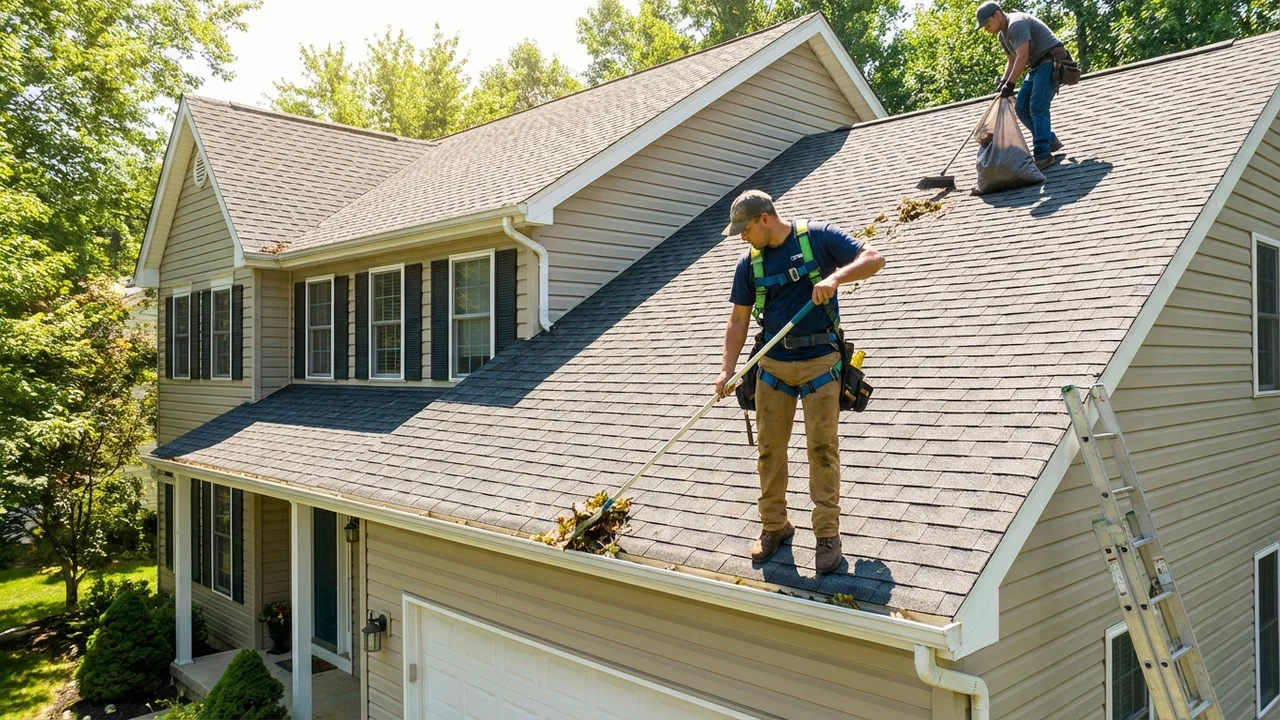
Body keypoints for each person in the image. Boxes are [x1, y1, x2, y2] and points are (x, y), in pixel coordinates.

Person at [714, 190, 885, 574]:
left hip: (820, 363)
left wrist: (835, 279)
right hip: (772, 366)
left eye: (745, 230)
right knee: (769, 452)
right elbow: (738, 320)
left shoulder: (817, 238)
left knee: (822, 450)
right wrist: (727, 370)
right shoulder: (750, 264)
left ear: (764, 220)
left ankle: (828, 536)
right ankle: (774, 526)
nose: (742, 237)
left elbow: (874, 258)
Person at [977, 1, 1068, 170]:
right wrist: (1003, 83)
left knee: (1037, 106)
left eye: (986, 24)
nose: (985, 29)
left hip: (1050, 61)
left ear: (996, 14)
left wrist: (1010, 85)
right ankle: (1049, 139)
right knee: (1021, 107)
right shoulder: (1002, 35)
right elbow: (1011, 60)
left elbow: (1022, 56)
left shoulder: (1016, 24)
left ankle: (1042, 155)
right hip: (1037, 66)